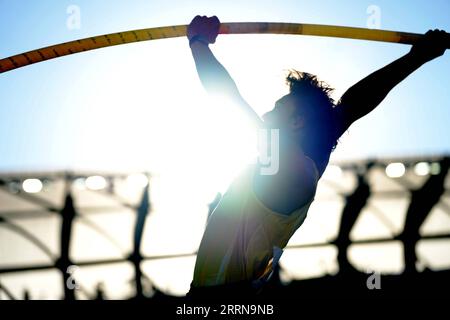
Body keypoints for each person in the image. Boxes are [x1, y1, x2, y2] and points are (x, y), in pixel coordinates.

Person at [186, 15, 448, 298]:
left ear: (297, 122)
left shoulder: (287, 170)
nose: (265, 115)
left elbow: (229, 99)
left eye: (276, 109)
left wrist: (199, 43)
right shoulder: (302, 162)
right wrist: (417, 57)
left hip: (219, 300)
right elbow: (352, 105)